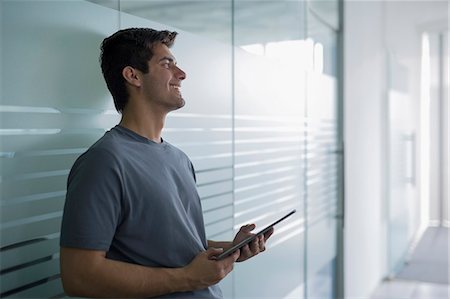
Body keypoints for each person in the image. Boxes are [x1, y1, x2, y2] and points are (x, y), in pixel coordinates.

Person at [59, 28, 273, 298]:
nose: (181, 74)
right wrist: (186, 278)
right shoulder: (104, 162)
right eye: (167, 64)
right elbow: (79, 276)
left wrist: (231, 248)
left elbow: (171, 244)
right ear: (133, 76)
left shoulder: (179, 159)